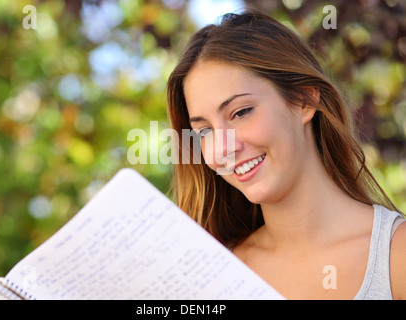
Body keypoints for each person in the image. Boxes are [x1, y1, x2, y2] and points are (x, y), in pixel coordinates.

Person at [166, 10, 406, 299]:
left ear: (304, 99)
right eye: (204, 132)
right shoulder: (214, 276)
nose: (221, 149)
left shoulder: (396, 257)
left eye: (240, 112)